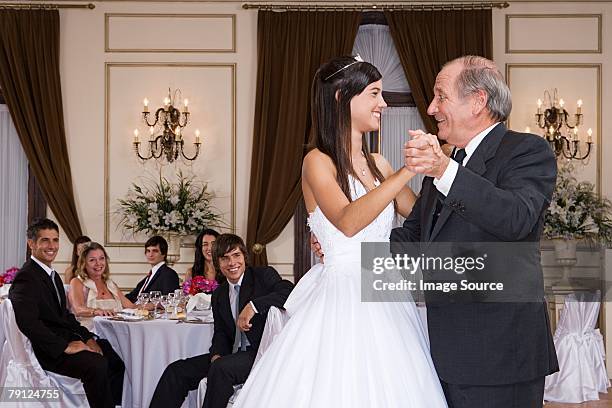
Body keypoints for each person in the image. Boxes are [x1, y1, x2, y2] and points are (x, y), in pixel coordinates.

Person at [233, 56, 447, 407]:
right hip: (340, 295)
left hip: (384, 291)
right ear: (341, 98)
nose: (384, 103)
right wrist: (407, 172)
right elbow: (347, 221)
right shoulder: (317, 161)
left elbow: (421, 217)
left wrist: (437, 164)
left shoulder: (380, 164)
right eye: (374, 94)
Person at [391, 55, 559, 407]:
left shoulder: (527, 151)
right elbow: (412, 239)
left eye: (441, 97)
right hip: (444, 355)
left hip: (502, 358)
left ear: (478, 100)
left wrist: (443, 171)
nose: (433, 107)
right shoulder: (445, 166)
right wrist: (349, 245)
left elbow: (515, 219)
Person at [149, 233, 293, 408]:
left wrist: (252, 306)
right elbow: (221, 333)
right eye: (225, 258)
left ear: (244, 257)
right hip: (231, 355)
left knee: (221, 369)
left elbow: (288, 292)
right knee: (176, 371)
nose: (232, 263)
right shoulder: (219, 294)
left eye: (236, 255)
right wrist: (216, 354)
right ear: (217, 263)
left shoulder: (263, 275)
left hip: (261, 353)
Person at [9, 218, 124, 408]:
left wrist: (88, 339)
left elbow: (66, 317)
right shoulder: (27, 277)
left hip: (62, 340)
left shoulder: (50, 275)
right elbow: (29, 323)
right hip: (46, 350)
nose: (52, 246)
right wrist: (65, 347)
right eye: (45, 240)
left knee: (113, 358)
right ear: (31, 244)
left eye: (55, 240)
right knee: (97, 365)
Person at [69, 241, 137, 329]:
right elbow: (78, 309)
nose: (98, 263)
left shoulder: (111, 284)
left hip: (116, 330)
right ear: (84, 263)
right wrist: (97, 311)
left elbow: (132, 307)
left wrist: (155, 305)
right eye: (92, 260)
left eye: (101, 258)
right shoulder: (77, 282)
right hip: (90, 333)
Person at [126, 235, 180, 302]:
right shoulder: (150, 276)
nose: (150, 255)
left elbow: (168, 302)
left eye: (155, 251)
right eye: (148, 251)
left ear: (163, 254)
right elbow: (132, 296)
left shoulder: (169, 274)